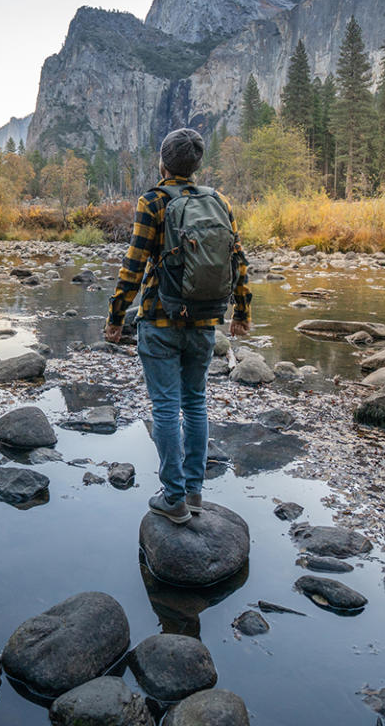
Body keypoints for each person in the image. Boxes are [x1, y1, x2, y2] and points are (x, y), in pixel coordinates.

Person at [105, 127, 251, 524]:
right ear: (196, 164)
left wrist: (116, 317)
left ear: (163, 162)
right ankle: (195, 491)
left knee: (167, 408)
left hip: (160, 318)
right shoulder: (218, 200)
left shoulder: (152, 201)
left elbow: (134, 265)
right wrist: (242, 313)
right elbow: (237, 259)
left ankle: (173, 498)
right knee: (196, 402)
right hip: (205, 319)